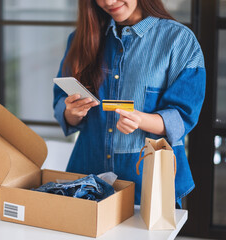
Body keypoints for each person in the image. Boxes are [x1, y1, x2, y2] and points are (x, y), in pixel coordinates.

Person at [53, 0, 206, 208]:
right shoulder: (80, 39)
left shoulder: (179, 40)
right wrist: (72, 112)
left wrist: (140, 119)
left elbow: (183, 117)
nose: (108, 2)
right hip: (86, 176)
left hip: (146, 184)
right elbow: (60, 103)